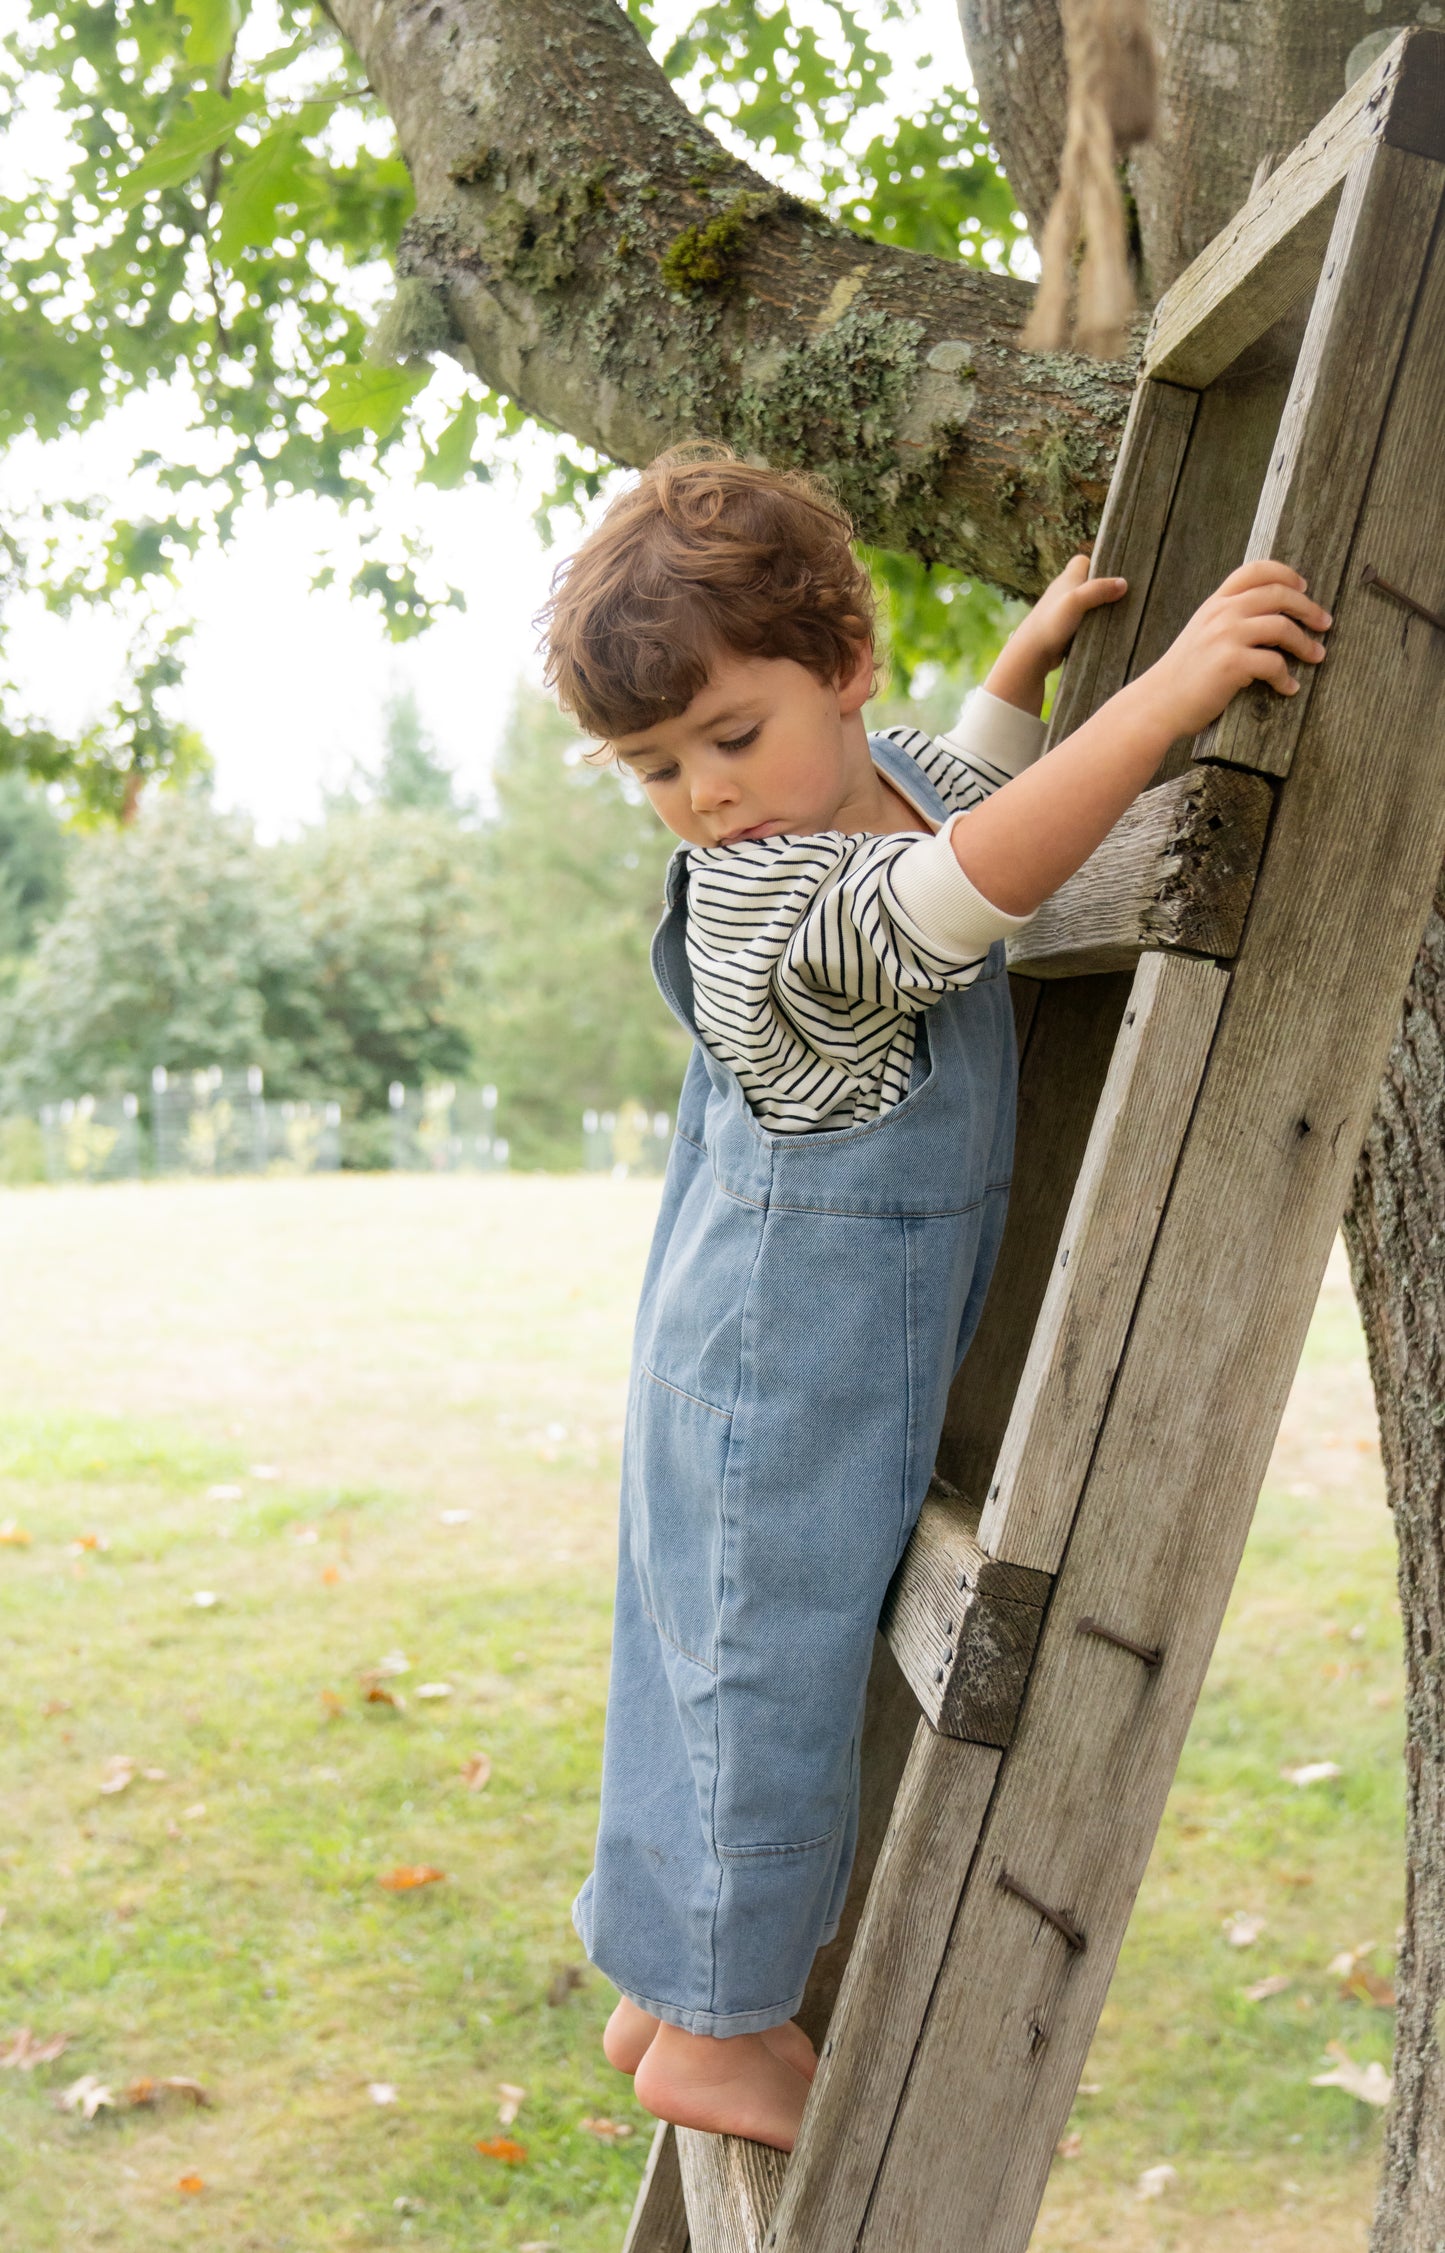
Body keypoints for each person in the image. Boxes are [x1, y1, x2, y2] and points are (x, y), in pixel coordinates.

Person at [539, 445, 1329, 2151]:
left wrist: (1022, 671)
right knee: (759, 1652)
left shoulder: (864, 777)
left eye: (728, 737)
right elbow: (967, 885)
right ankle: (723, 2023)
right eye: (655, 769)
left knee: (706, 1633)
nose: (705, 795)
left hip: (782, 1333)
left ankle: (664, 1975)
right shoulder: (768, 895)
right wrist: (1168, 694)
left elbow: (946, 799)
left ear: (845, 665)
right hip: (779, 1356)